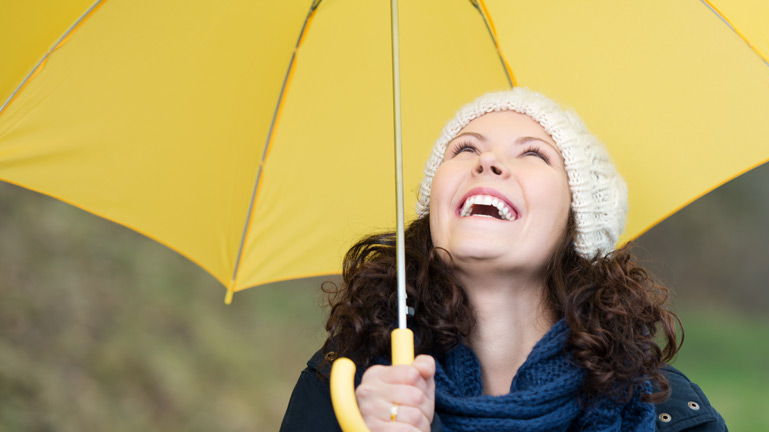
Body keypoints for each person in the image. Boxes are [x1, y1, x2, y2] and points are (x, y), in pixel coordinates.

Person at [280, 88, 727, 431]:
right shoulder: (346, 391)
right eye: (465, 149)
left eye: (533, 153)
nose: (488, 162)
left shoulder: (667, 413)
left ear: (581, 221)